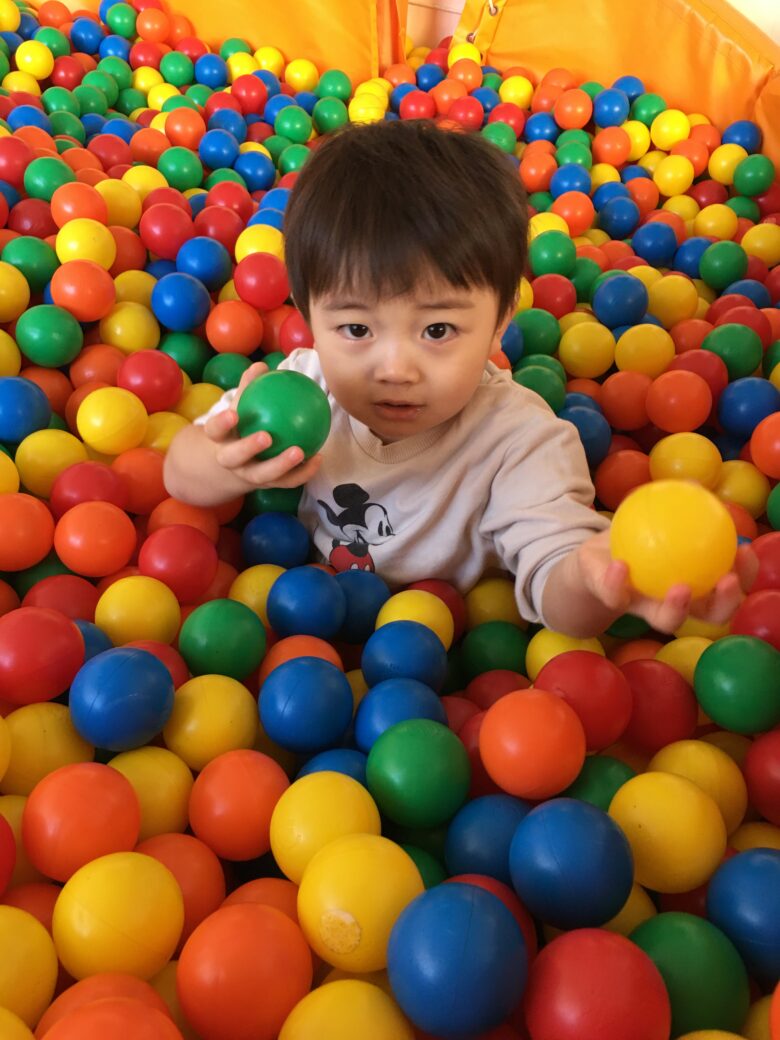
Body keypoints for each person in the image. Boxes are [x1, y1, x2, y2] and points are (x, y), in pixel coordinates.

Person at [164, 119, 754, 637]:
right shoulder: (300, 387)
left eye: (438, 330)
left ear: (500, 320)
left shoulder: (521, 442)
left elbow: (557, 579)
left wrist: (598, 580)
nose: (396, 369)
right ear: (307, 313)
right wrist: (225, 463)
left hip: (440, 648)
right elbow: (179, 475)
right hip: (294, 616)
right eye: (357, 329)